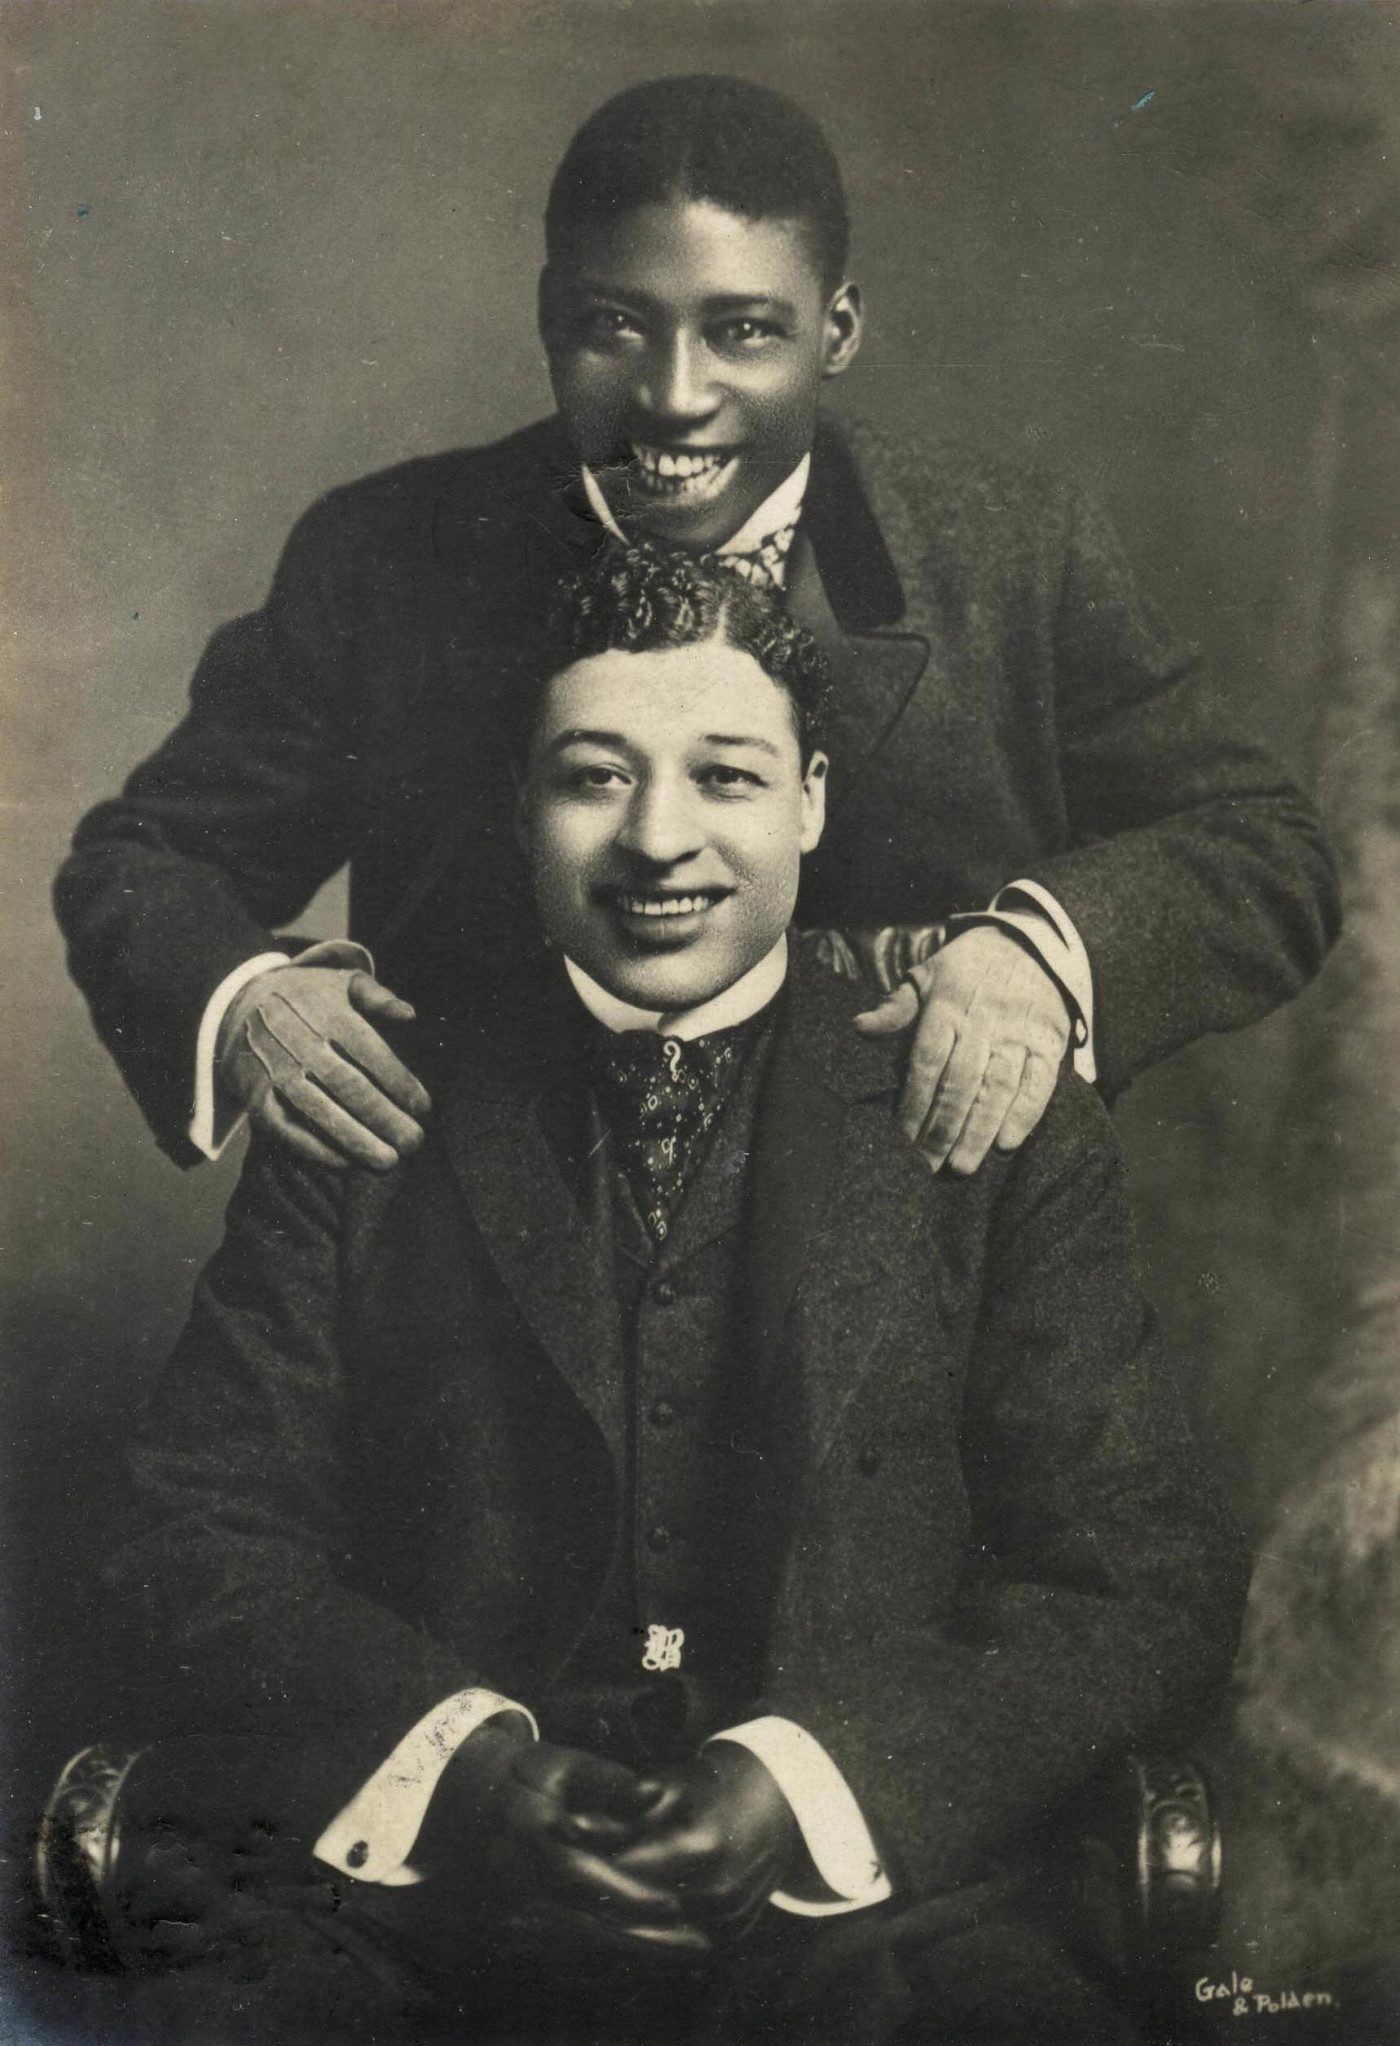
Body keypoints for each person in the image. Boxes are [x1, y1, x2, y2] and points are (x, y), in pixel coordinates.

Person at [88, 550, 1246, 2045]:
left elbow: (1140, 1580)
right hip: (430, 1912)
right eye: (594, 775)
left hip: (887, 1905)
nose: (658, 839)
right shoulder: (367, 1094)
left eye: (728, 774)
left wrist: (806, 1782)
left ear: (813, 800)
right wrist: (470, 1766)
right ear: (520, 805)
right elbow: (193, 1533)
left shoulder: (985, 1098)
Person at [53, 73, 1338, 1182]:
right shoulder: (383, 557)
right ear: (549, 314)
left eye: (742, 332)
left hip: (905, 1294)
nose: (673, 399)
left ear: (834, 332)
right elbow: (147, 861)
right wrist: (243, 998)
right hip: (493, 1292)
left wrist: (1041, 953)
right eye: (615, 327)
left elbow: (1262, 847)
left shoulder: (1008, 551)